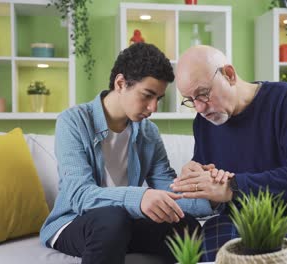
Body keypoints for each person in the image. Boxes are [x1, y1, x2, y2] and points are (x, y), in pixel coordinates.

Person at [40, 43, 216, 264]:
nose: (153, 108)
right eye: (147, 95)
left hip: (122, 224)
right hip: (74, 222)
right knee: (112, 219)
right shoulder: (73, 121)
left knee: (184, 224)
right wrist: (140, 197)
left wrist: (212, 198)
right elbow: (79, 195)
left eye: (158, 99)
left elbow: (168, 190)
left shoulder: (148, 133)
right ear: (121, 83)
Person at [170, 45, 287, 261]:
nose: (199, 108)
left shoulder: (286, 99)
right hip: (241, 221)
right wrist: (197, 179)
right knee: (202, 244)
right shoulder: (204, 124)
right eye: (190, 99)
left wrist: (233, 187)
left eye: (203, 94)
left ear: (229, 75)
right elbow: (216, 193)